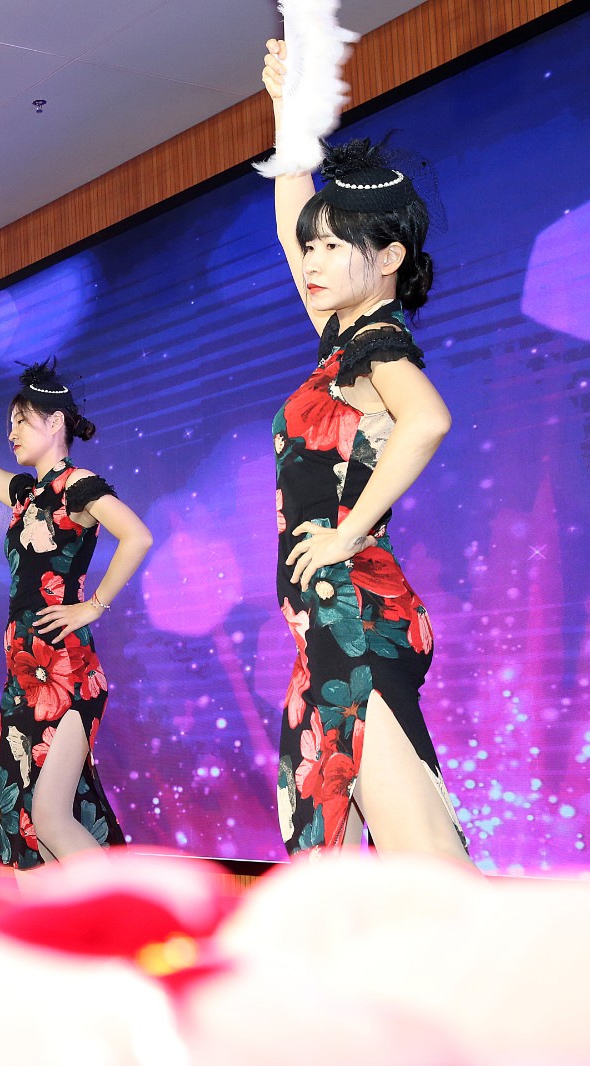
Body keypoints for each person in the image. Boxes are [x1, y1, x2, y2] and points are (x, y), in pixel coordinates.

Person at [262, 40, 468, 860]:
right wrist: (289, 116)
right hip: (328, 623)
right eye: (312, 247)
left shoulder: (378, 345)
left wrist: (348, 534)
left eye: (331, 247)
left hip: (356, 617)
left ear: (387, 259)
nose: (311, 260)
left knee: (425, 865)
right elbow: (291, 219)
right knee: (338, 870)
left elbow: (428, 421)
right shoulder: (342, 342)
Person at [0, 351, 153, 867]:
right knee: (22, 822)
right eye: (9, 424)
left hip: (66, 670)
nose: (11, 433)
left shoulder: (76, 485)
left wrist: (93, 606)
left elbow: (137, 535)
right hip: (23, 672)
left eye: (21, 421)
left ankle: (121, 909)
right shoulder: (24, 495)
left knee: (50, 815)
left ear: (55, 423)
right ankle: (57, 919)